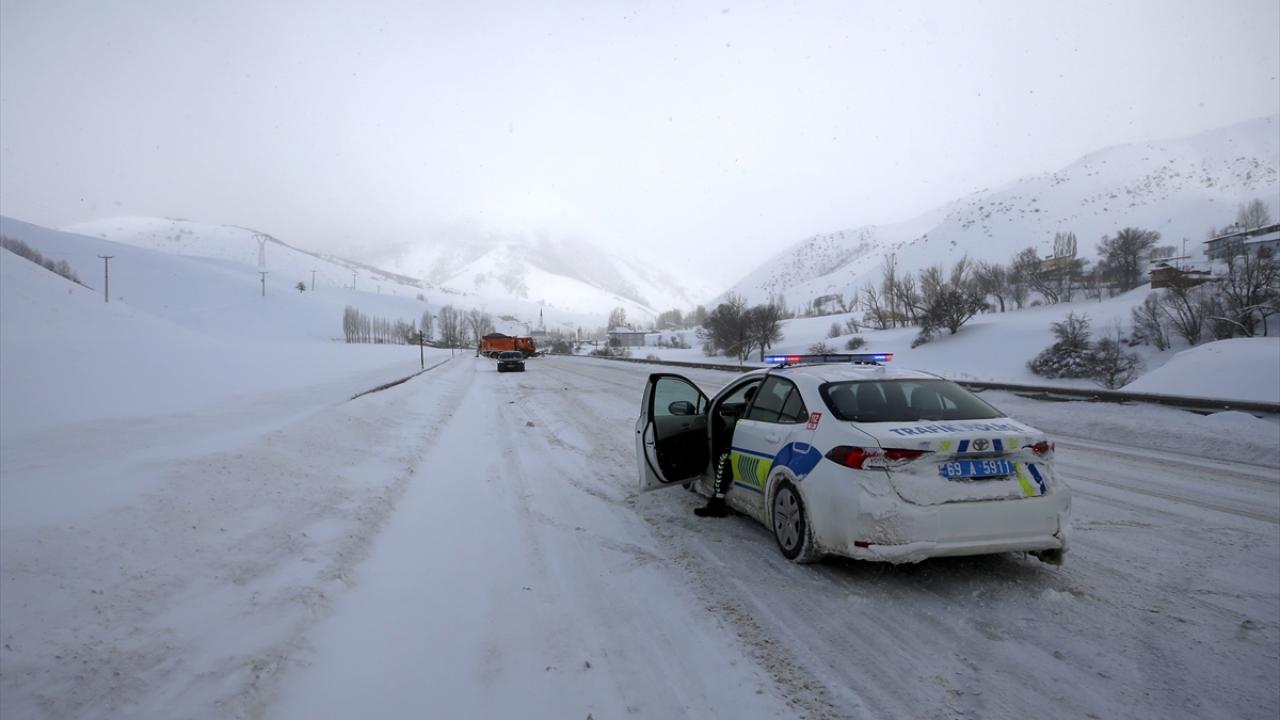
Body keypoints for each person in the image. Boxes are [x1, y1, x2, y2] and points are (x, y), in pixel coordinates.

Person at [695, 386, 756, 518]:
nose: (746, 405)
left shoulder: (755, 412)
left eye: (747, 402)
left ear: (752, 400)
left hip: (745, 448)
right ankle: (717, 501)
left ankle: (717, 504)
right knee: (725, 458)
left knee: (723, 460)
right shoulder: (765, 408)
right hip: (748, 447)